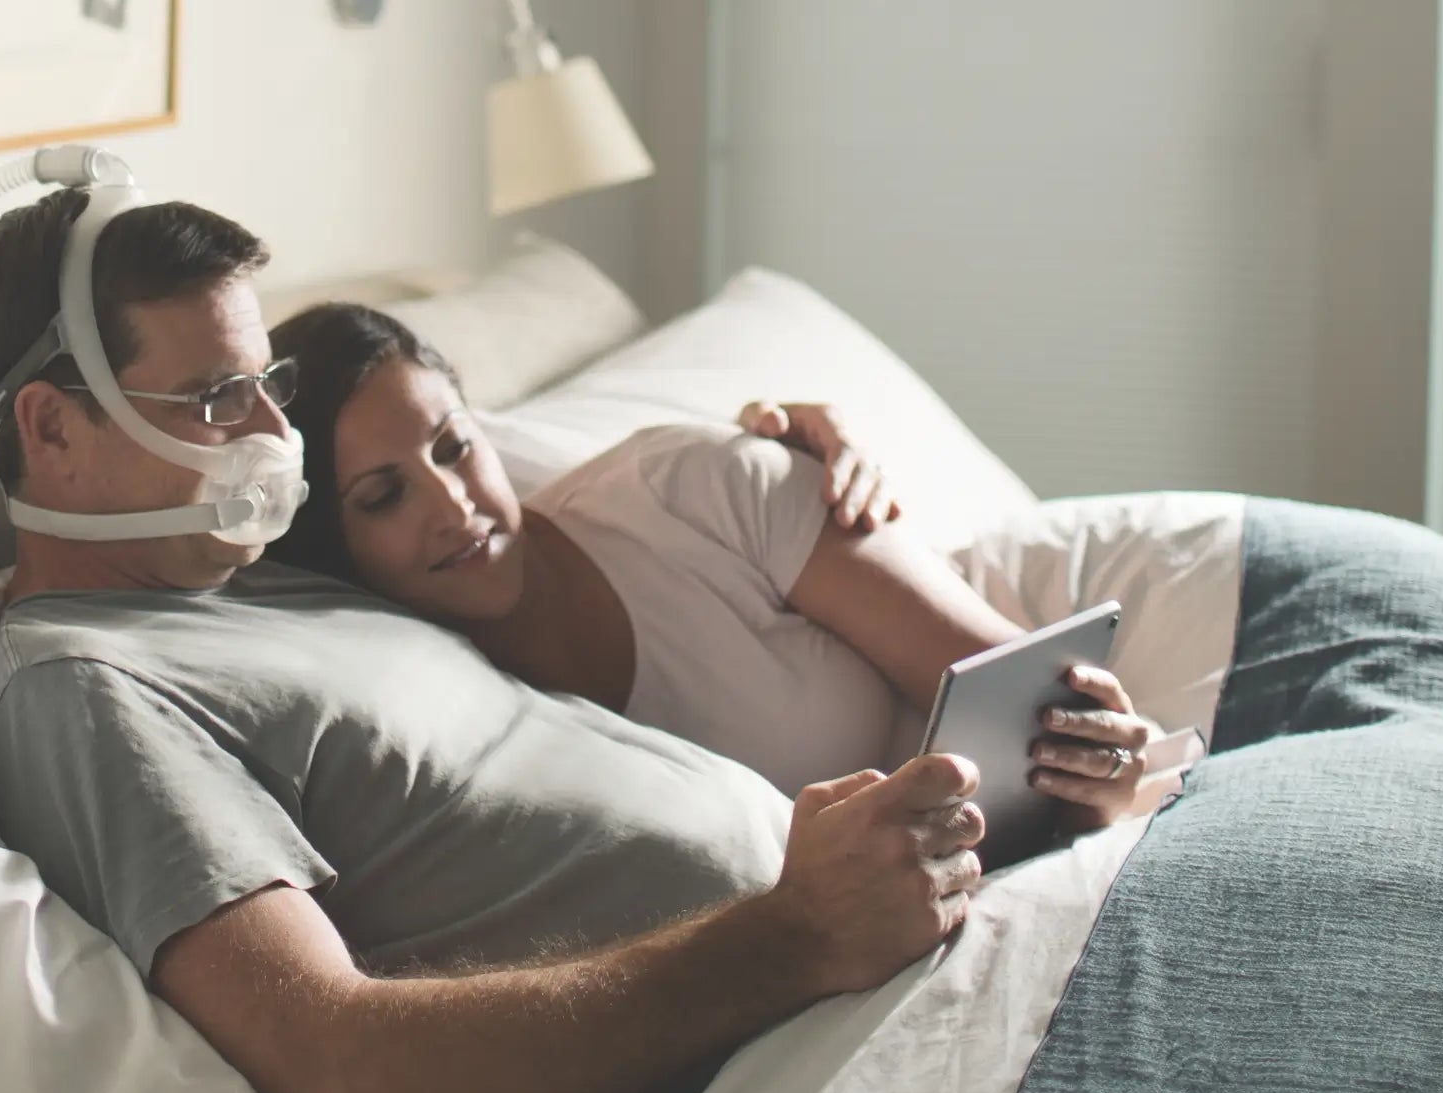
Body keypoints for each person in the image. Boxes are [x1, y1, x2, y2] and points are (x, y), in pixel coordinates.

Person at [0, 190, 987, 1093]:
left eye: (271, 385)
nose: (273, 432)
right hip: (805, 1057)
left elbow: (492, 494)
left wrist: (775, 445)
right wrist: (791, 932)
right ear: (49, 431)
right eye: (219, 397)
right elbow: (342, 1073)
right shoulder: (84, 688)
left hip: (899, 961)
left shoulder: (268, 573)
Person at [266, 302, 1160, 817]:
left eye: (455, 448)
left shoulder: (696, 485)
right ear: (337, 550)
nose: (452, 505)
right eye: (382, 497)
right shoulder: (426, 725)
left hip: (1129, 583)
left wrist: (1102, 768)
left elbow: (1030, 691)